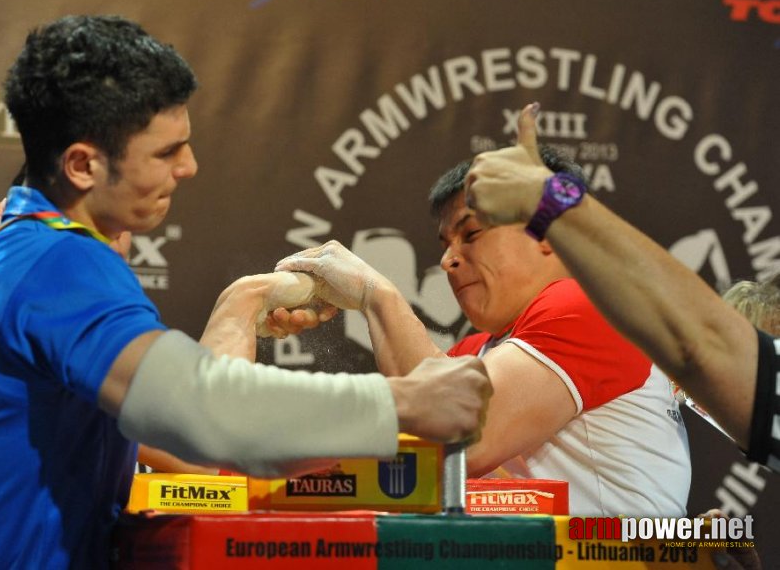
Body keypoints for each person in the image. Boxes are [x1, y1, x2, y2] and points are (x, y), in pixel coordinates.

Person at [0, 15, 492, 569]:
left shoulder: (21, 250)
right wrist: (405, 402)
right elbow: (205, 415)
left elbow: (188, 434)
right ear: (82, 165)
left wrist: (242, 306)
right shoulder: (59, 260)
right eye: (166, 152)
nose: (189, 166)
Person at [276, 156, 691, 517]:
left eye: (471, 234)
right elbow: (406, 450)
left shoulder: (588, 307)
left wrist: (376, 294)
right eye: (446, 242)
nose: (447, 259)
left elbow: (465, 439)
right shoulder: (479, 350)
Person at [464, 102, 780, 473]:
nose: (451, 259)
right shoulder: (489, 345)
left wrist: (548, 199)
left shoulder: (580, 314)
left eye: (471, 234)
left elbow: (698, 343)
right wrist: (680, 534)